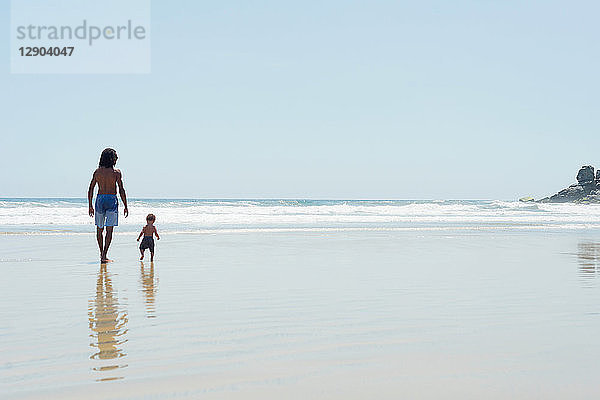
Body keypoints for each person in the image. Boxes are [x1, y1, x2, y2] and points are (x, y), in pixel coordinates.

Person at [88, 148, 129, 263]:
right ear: (112, 159)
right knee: (109, 230)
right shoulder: (116, 172)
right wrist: (126, 205)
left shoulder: (97, 172)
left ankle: (102, 254)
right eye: (115, 157)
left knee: (99, 229)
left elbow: (91, 188)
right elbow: (121, 189)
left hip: (100, 199)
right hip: (111, 200)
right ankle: (104, 254)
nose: (116, 159)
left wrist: (90, 205)